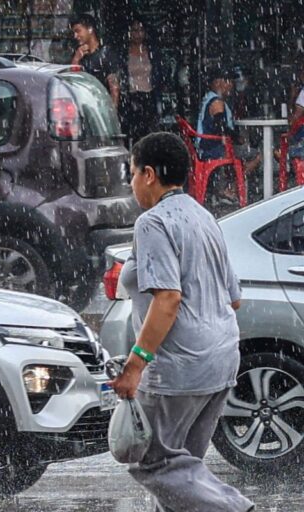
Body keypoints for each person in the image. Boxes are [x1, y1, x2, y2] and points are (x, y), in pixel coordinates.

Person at [108, 132, 255, 512]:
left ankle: (235, 508)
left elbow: (168, 299)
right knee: (184, 473)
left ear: (149, 175)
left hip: (179, 368)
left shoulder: (152, 223)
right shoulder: (204, 217)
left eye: (133, 173)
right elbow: (234, 297)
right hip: (220, 359)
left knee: (153, 462)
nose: (132, 183)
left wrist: (135, 365)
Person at [196, 66, 262, 203]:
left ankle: (228, 186)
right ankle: (230, 187)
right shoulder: (217, 103)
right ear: (217, 83)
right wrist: (237, 138)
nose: (231, 85)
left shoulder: (208, 98)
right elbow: (221, 128)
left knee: (243, 153)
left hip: (207, 147)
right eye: (228, 81)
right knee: (258, 155)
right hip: (215, 148)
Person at [121, 19, 160, 145]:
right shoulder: (125, 52)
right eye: (135, 30)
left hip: (149, 95)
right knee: (134, 133)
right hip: (132, 96)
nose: (138, 34)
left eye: (141, 30)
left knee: (149, 134)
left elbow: (158, 73)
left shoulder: (151, 51)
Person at [70, 14, 120, 107]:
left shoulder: (106, 53)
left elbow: (114, 87)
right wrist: (76, 59)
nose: (75, 36)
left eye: (78, 31)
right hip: (84, 104)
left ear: (90, 29)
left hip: (101, 105)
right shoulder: (79, 54)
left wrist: (113, 109)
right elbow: (73, 80)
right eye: (74, 33)